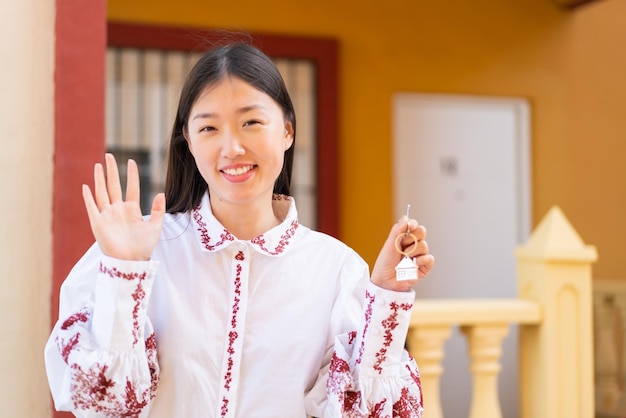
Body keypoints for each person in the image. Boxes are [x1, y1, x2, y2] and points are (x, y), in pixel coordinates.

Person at [44, 41, 434, 418]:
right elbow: (104, 406)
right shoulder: (139, 251)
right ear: (189, 141)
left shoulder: (335, 268)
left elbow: (366, 413)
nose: (231, 148)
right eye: (209, 128)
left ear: (287, 131)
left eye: (251, 122)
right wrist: (125, 274)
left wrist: (387, 294)